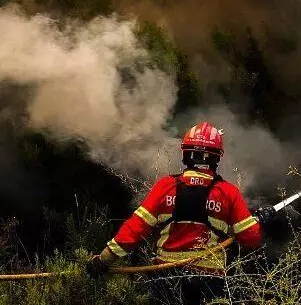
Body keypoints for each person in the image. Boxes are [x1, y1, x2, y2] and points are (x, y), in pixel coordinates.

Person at [86, 121, 275, 302]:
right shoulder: (228, 192)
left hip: (167, 280)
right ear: (217, 156)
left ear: (185, 153)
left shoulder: (165, 187)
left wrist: (103, 260)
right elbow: (251, 238)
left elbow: (134, 230)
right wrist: (260, 221)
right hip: (209, 283)